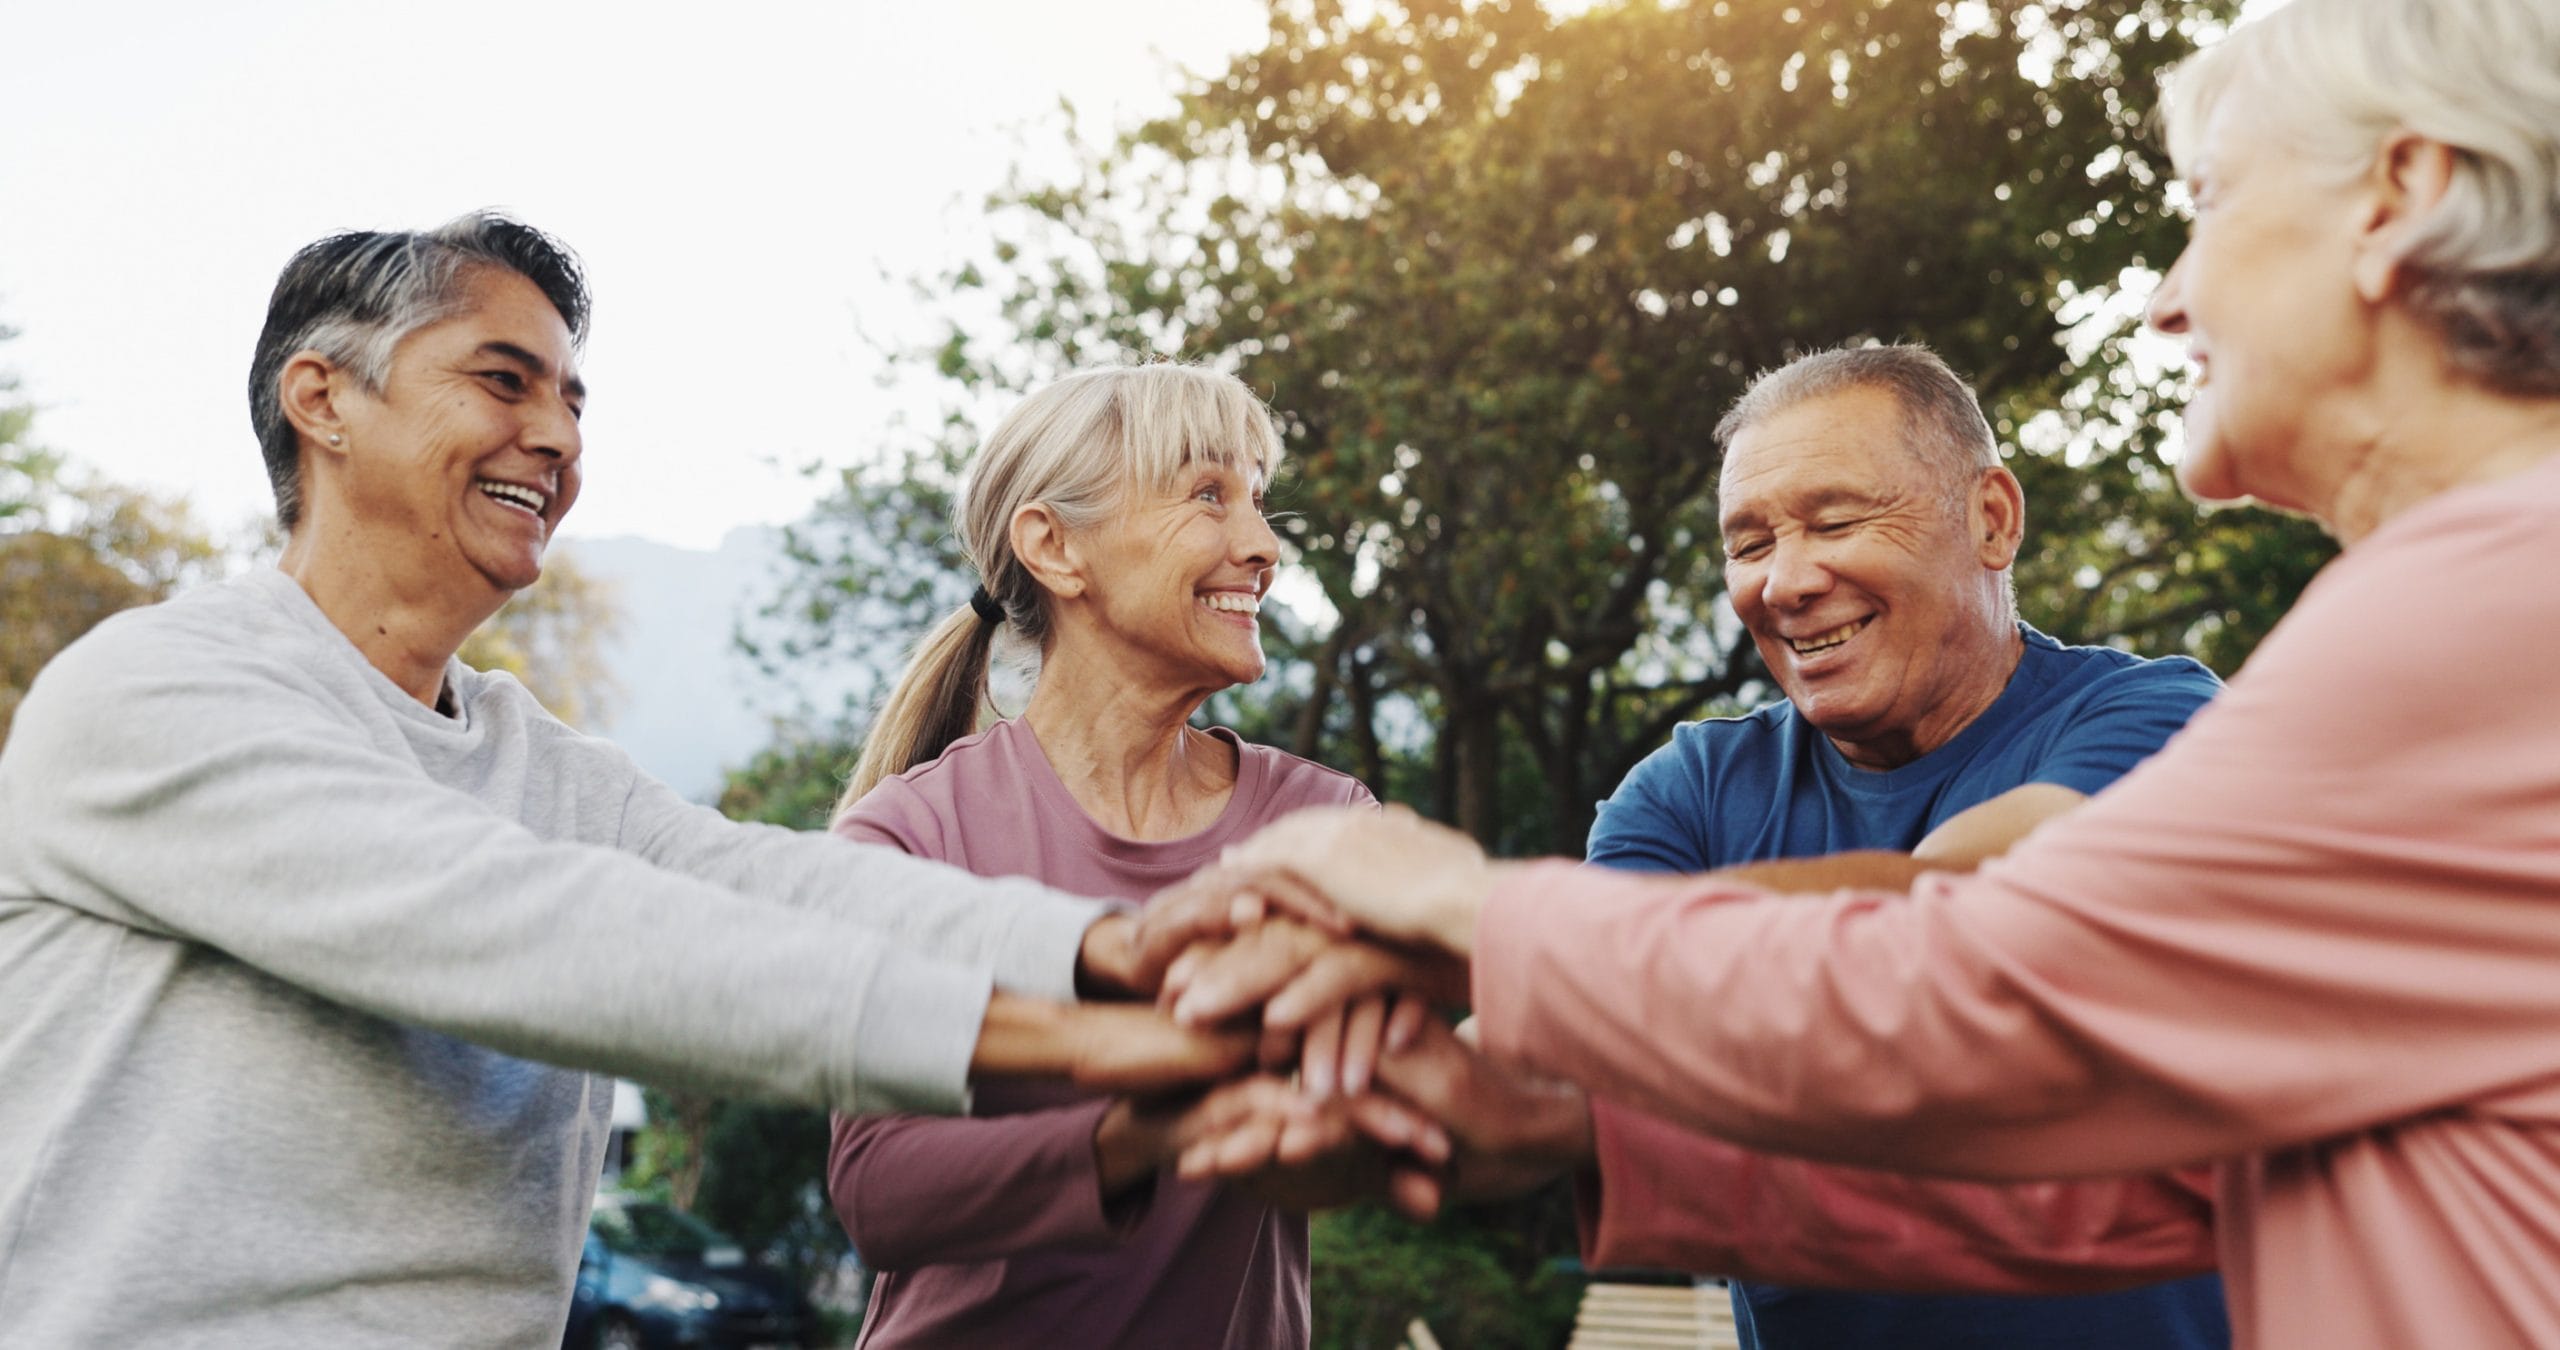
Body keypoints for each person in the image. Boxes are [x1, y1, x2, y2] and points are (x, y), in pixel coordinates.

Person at [1178, 0, 2560, 1344]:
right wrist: (1551, 1119)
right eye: (1753, 538)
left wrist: (1469, 907)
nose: (2165, 299)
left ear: (2398, 196)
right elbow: (2151, 1186)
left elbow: (1982, 981)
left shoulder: (2489, 605)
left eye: (2206, 203)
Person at [0, 215, 1238, 1346]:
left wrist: (1132, 954)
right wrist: (1105, 1044)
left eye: (572, 400)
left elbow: (766, 888)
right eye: (503, 379)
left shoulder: (535, 759)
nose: (557, 436)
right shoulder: (148, 695)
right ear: (321, 398)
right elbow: (516, 930)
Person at [825, 364, 1376, 1349]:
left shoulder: (1326, 827)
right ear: (1054, 547)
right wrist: (1141, 1131)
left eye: (1257, 498)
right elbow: (881, 1194)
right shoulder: (916, 834)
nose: (1261, 545)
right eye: (1208, 494)